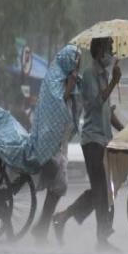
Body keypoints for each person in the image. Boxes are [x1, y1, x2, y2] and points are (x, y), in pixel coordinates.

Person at [52, 37, 123, 250]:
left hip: (105, 138)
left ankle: (63, 217)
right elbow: (93, 104)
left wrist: (125, 130)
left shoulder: (105, 75)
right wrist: (113, 83)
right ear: (100, 50)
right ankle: (102, 239)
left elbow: (106, 112)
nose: (111, 53)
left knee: (103, 190)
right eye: (109, 48)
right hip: (92, 140)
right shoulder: (91, 75)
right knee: (101, 189)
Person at [30, 45, 81, 242]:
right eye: (75, 59)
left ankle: (41, 227)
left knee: (58, 186)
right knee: (60, 184)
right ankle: (41, 226)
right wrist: (70, 86)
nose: (77, 64)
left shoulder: (66, 78)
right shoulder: (55, 78)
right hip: (50, 141)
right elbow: (58, 106)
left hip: (61, 142)